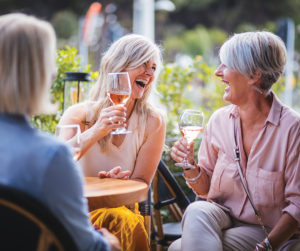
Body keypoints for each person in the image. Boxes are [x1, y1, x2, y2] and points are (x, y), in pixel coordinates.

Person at [170, 31, 300, 251]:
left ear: (253, 75)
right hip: (224, 220)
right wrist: (190, 166)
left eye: (225, 65)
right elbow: (205, 191)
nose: (217, 72)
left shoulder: (292, 129)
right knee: (197, 210)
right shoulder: (219, 121)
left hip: (271, 232)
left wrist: (267, 247)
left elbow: (298, 205)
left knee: (177, 248)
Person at [0, 13, 120, 251]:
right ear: (39, 75)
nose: (54, 72)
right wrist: (110, 243)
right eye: (49, 63)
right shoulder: (51, 156)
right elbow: (86, 246)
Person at [58, 34, 166, 250]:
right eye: (143, 64)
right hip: (78, 210)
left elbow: (142, 183)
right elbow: (57, 164)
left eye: (153, 67)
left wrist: (118, 184)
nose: (149, 73)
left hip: (124, 209)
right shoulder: (78, 114)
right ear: (118, 67)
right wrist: (97, 130)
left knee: (118, 218)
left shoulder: (154, 121)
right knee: (116, 220)